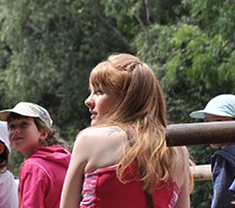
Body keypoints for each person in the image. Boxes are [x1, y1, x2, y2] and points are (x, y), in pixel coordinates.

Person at [60, 53, 192, 208]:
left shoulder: (89, 140)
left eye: (99, 92)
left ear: (125, 98)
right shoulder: (177, 148)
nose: (88, 101)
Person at [0, 101, 71, 208]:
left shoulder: (33, 167)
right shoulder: (67, 159)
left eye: (24, 124)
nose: (16, 131)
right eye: (11, 126)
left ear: (43, 133)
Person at [189, 94, 235, 208]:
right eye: (207, 122)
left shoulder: (226, 158)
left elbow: (221, 199)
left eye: (219, 121)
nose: (211, 127)